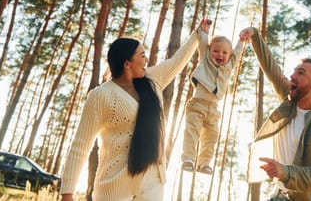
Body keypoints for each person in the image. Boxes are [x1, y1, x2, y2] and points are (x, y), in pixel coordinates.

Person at [60, 19, 211, 201]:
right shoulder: (100, 95)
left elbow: (176, 62)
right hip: (113, 189)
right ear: (127, 63)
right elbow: (80, 146)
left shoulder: (152, 81)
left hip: (153, 185)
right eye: (142, 55)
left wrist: (197, 35)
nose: (146, 59)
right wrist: (67, 193)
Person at [239, 27, 311, 201]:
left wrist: (285, 172)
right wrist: (255, 36)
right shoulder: (289, 100)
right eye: (294, 71)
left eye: (300, 73)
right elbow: (271, 68)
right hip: (280, 195)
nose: (292, 76)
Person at [181, 24, 244, 174]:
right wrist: (204, 32)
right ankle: (188, 159)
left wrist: (241, 41)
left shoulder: (229, 66)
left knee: (211, 137)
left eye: (224, 52)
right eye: (216, 51)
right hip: (197, 104)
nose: (220, 55)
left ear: (229, 56)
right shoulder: (206, 59)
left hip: (214, 109)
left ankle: (204, 163)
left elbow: (237, 53)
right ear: (209, 51)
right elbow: (203, 43)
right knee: (192, 132)